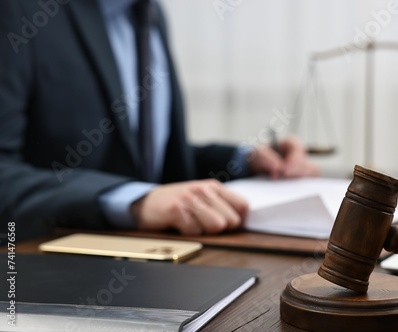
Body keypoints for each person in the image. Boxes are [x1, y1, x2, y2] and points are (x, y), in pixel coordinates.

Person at [0, 0, 319, 242]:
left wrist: (246, 160)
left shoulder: (151, 16)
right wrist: (134, 202)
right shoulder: (20, 11)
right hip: (42, 268)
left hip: (154, 257)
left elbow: (154, 161)